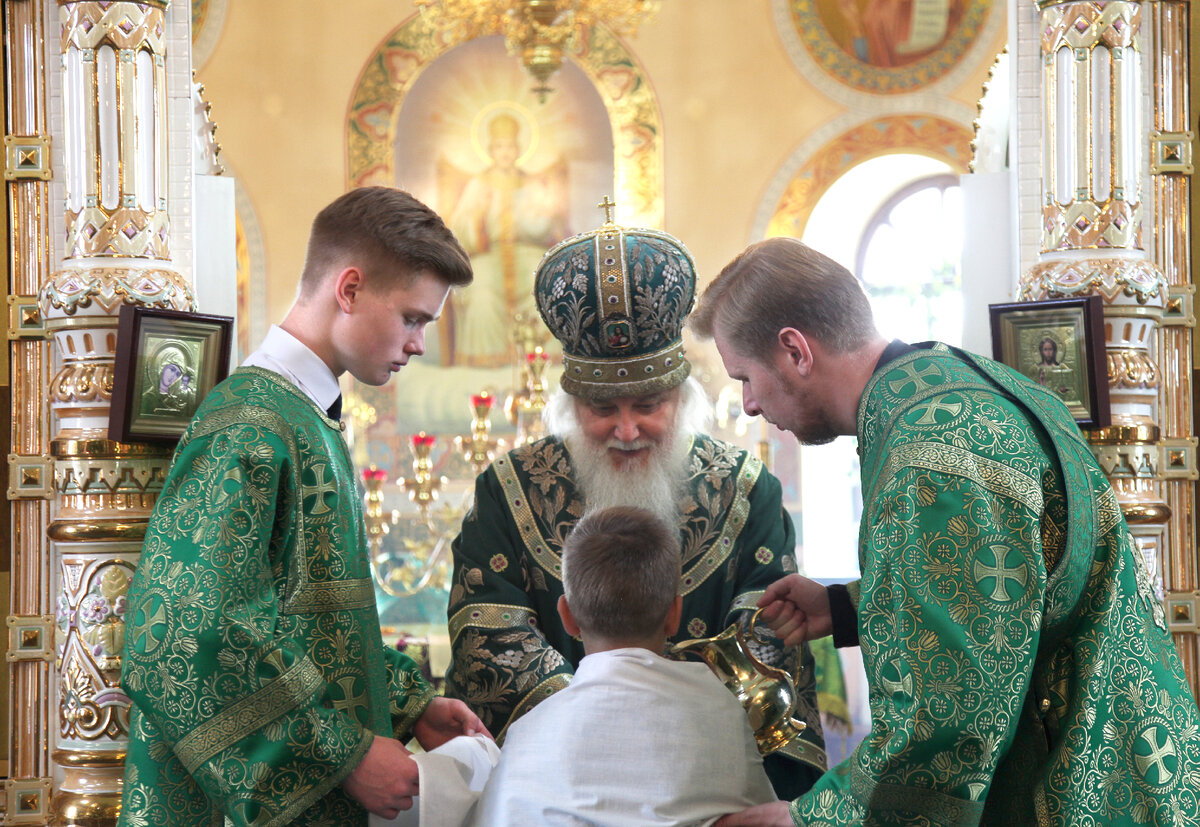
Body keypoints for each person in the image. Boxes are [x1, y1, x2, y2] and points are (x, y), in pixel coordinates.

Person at [689, 236, 1200, 826]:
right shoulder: (957, 387)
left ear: (795, 351)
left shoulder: (929, 455)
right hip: (1132, 764)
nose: (750, 404)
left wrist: (809, 818)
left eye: (746, 377)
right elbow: (1008, 591)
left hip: (1074, 790)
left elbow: (947, 718)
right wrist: (844, 607)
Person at [118, 187, 489, 827]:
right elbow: (182, 634)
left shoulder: (303, 416)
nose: (420, 344)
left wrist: (407, 702)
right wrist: (343, 755)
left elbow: (304, 624)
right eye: (413, 318)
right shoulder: (250, 423)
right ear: (349, 289)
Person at [444, 210, 827, 799]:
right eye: (603, 409)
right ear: (572, 407)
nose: (627, 431)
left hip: (706, 775)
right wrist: (606, 730)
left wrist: (660, 731)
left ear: (682, 398)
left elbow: (767, 639)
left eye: (648, 404)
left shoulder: (746, 489)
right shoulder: (509, 488)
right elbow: (487, 637)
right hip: (556, 778)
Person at [470, 506, 778, 825]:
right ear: (675, 615)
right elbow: (760, 814)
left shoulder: (528, 735)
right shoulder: (720, 709)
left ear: (567, 616)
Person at [444, 111, 569, 367]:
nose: (505, 152)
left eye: (510, 146)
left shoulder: (531, 184)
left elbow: (543, 228)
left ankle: (540, 361)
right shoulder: (479, 184)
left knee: (543, 287)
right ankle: (487, 361)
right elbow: (459, 227)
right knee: (481, 292)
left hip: (526, 250)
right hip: (489, 253)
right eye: (499, 146)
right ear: (490, 150)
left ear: (518, 149)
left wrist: (532, 218)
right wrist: (479, 217)